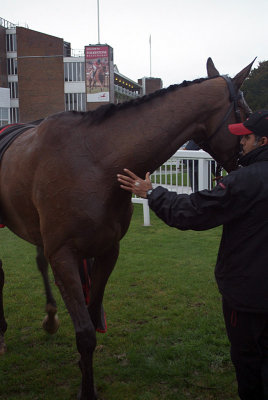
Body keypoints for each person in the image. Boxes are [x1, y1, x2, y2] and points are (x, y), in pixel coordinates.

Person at [117, 110, 268, 400]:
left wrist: (151, 193)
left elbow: (193, 213)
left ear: (263, 141)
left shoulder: (244, 181)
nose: (241, 144)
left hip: (247, 297)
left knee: (249, 365)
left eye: (246, 138)